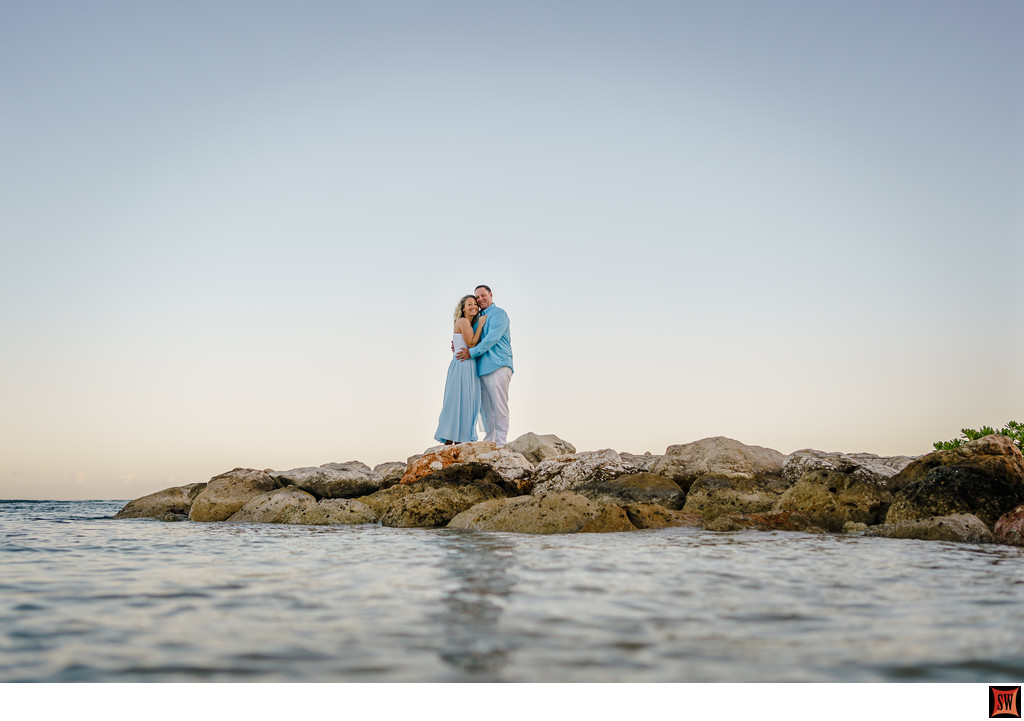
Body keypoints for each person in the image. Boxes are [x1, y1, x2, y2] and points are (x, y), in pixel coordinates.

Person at [455, 284, 513, 445]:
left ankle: (501, 442)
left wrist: (470, 353)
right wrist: (458, 345)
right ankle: (489, 441)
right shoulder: (477, 320)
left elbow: (491, 339)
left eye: (483, 295)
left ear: (491, 295)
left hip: (498, 365)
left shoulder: (498, 314)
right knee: (487, 410)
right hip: (481, 369)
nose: (480, 299)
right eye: (477, 297)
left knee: (499, 406)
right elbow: (471, 340)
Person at [434, 295, 488, 445]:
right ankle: (451, 440)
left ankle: (460, 439)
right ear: (463, 308)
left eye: (475, 304)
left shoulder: (469, 324)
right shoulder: (463, 321)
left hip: (468, 365)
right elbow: (471, 343)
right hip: (463, 365)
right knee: (458, 402)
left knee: (466, 403)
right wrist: (482, 324)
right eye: (469, 304)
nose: (473, 306)